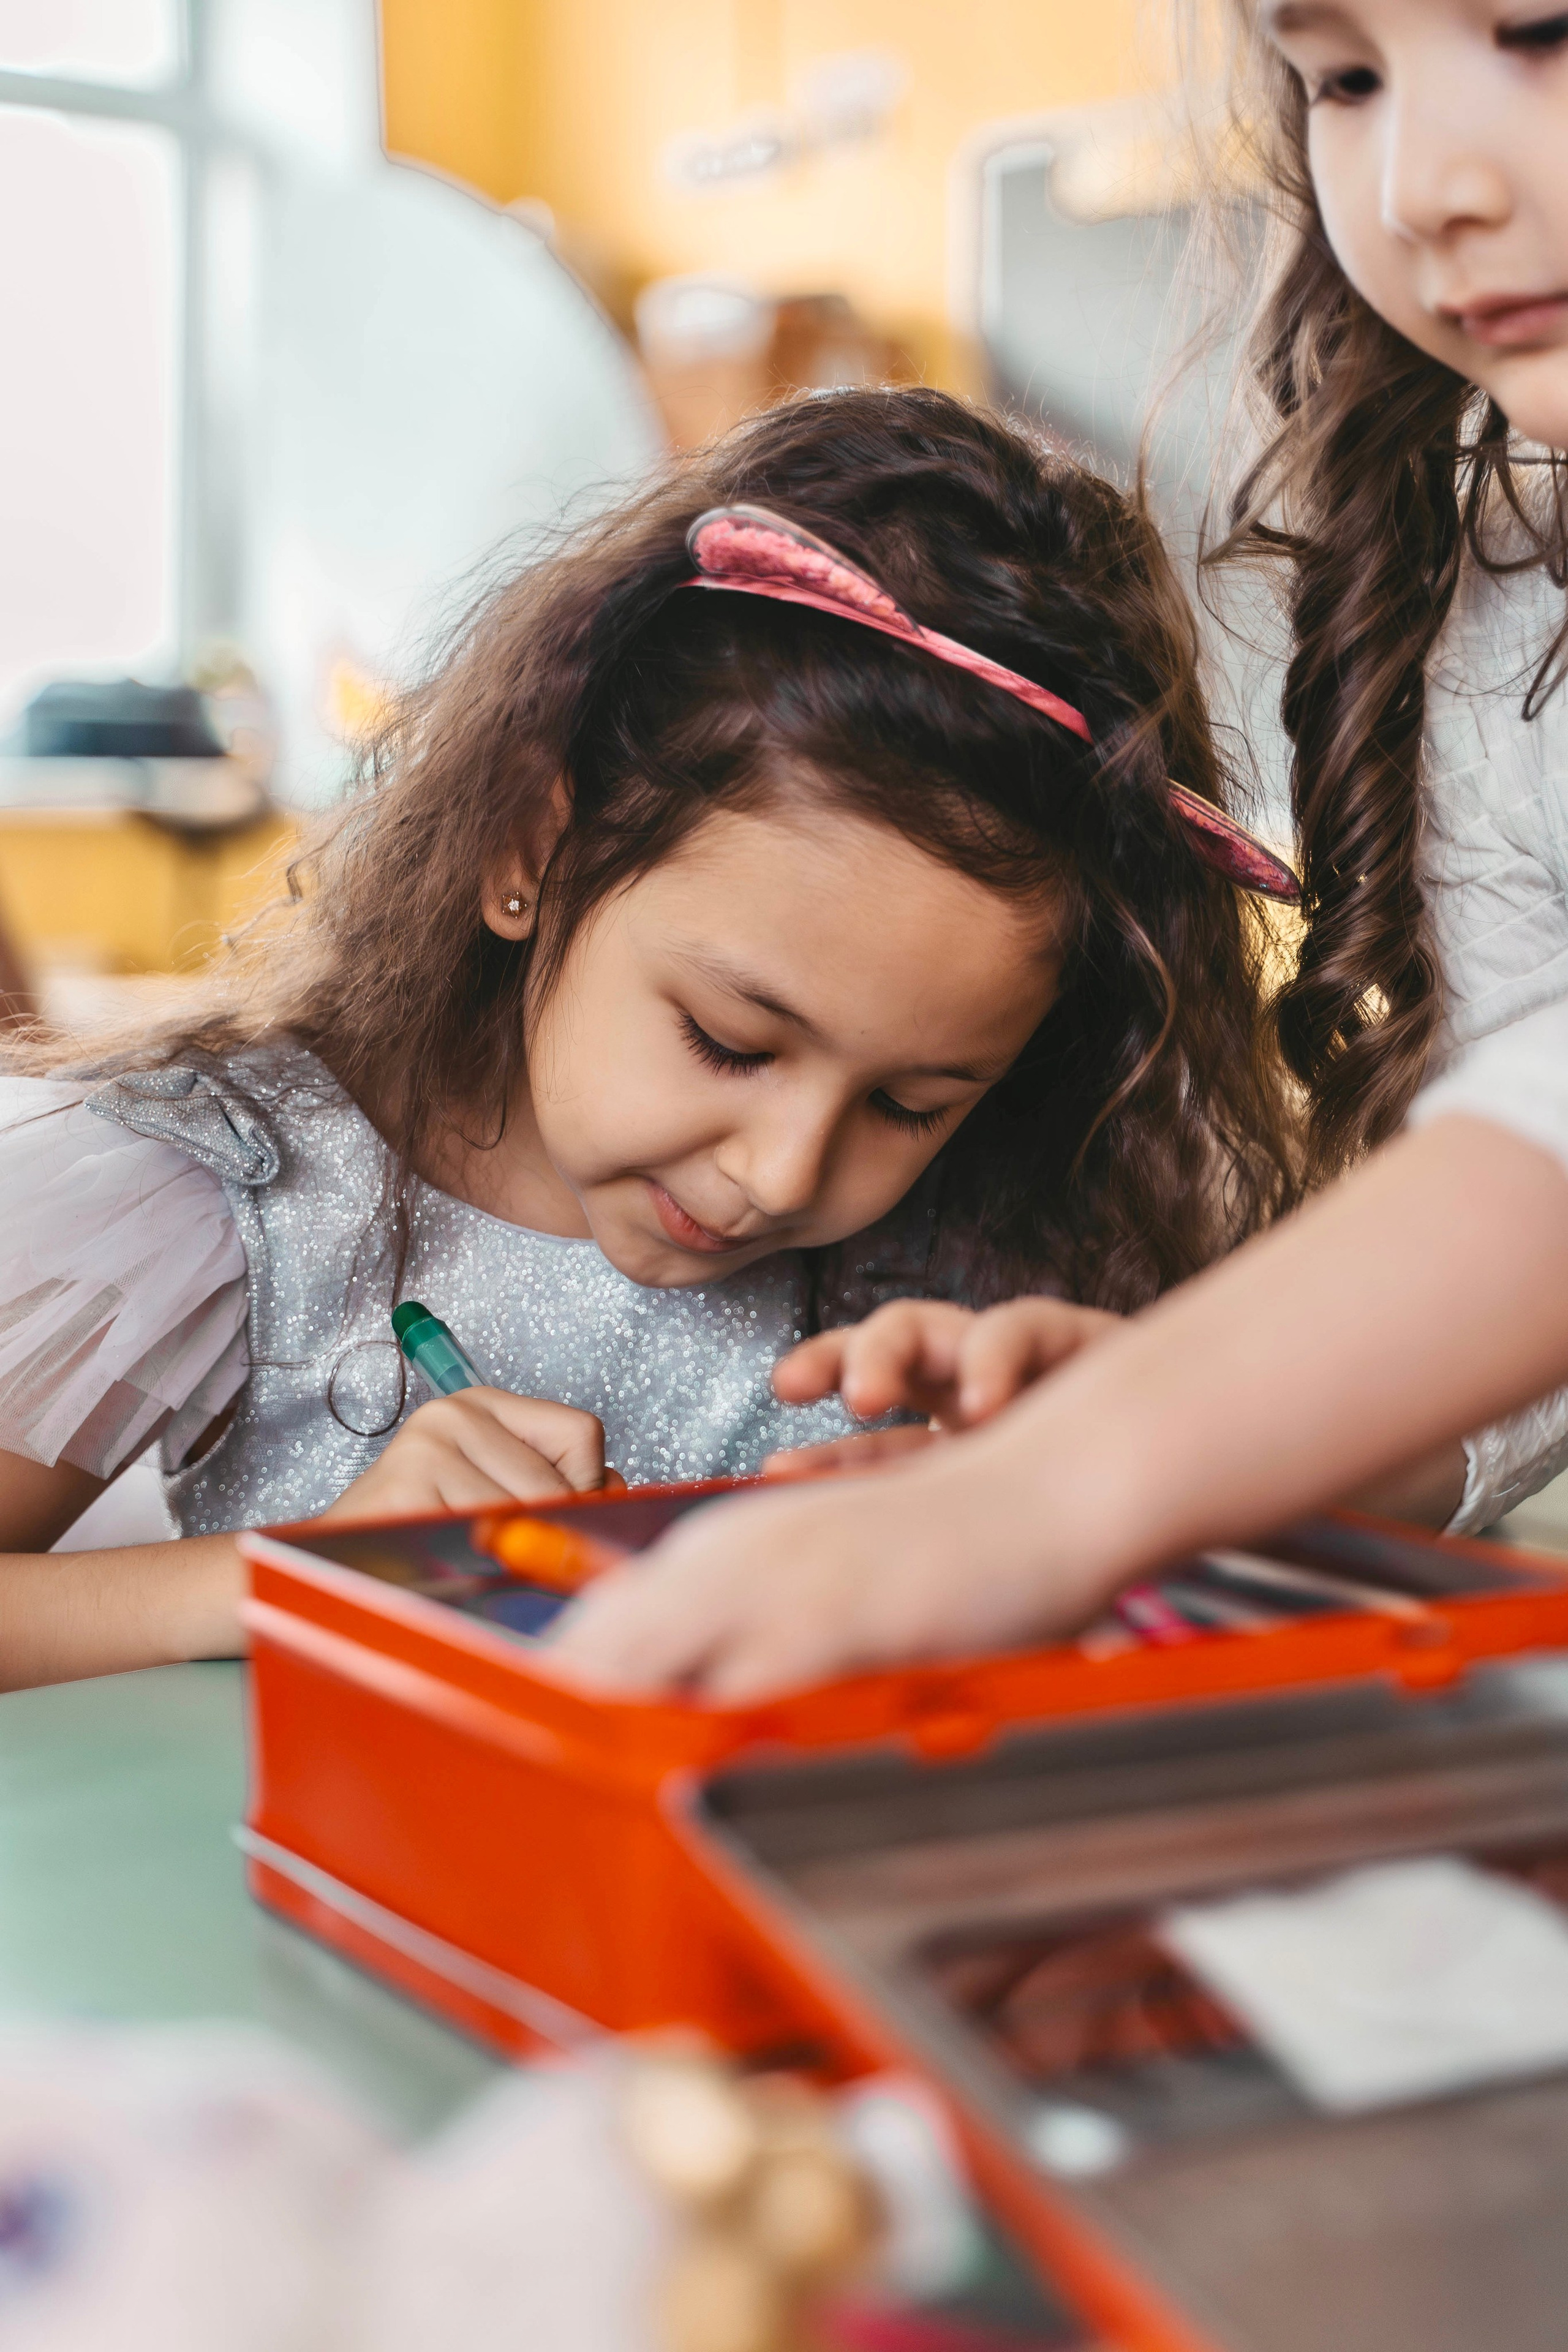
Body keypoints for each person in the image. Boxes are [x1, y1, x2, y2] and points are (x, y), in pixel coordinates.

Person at [551, 0, 1568, 1700]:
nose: (1420, 186)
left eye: (1541, 31)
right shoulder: (1500, 585)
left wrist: (1064, 1488)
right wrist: (1216, 1432)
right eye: (1346, 79)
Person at [0, 388, 1297, 1690]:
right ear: (529, 845)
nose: (785, 1175)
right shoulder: (229, 1196)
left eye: (912, 1103)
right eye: (731, 1042)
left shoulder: (1003, 1248)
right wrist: (300, 1578)